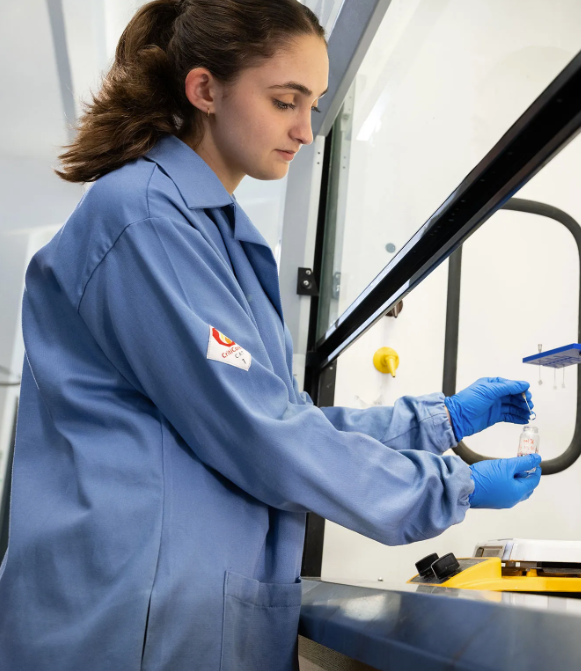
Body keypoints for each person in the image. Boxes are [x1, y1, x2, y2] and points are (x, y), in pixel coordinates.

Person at [0, 1, 541, 669]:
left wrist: (437, 419)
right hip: (128, 627)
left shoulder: (208, 232)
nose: (306, 131)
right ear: (205, 90)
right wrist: (449, 484)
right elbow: (264, 434)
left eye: (313, 106)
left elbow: (274, 416)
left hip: (172, 616)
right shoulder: (143, 221)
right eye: (287, 101)